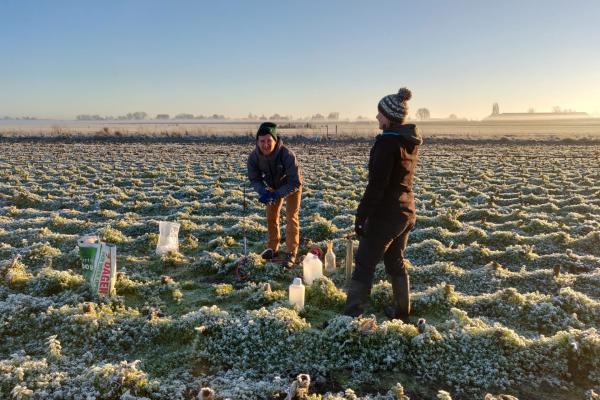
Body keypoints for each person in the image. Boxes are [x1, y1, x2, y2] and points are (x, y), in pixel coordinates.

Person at [343, 88, 422, 322]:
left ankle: (350, 318)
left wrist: (361, 216)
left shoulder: (387, 144)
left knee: (365, 263)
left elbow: (377, 186)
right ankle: (402, 312)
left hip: (386, 215)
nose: (377, 117)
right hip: (405, 212)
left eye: (380, 114)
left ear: (389, 116)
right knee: (394, 260)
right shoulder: (409, 140)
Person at [247, 122, 302, 267]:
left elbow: (295, 182)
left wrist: (278, 194)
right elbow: (255, 179)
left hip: (291, 185)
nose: (266, 144)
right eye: (262, 141)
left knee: (291, 216)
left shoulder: (287, 155)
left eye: (269, 141)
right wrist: (263, 191)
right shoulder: (253, 157)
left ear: (275, 140)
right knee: (271, 217)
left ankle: (291, 252)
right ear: (257, 142)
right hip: (271, 186)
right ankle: (272, 248)